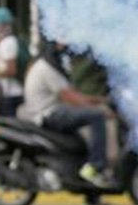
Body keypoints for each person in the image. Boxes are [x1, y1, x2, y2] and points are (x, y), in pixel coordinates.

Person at [20, 40, 113, 187]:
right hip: (48, 114)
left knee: (81, 144)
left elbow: (74, 95)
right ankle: (96, 166)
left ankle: (90, 187)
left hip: (52, 111)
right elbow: (71, 99)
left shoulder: (49, 67)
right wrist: (100, 109)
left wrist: (101, 100)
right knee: (97, 116)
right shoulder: (47, 69)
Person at [0, 6, 24, 117]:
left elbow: (11, 70)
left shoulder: (9, 42)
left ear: (1, 26)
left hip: (11, 94)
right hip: (2, 93)